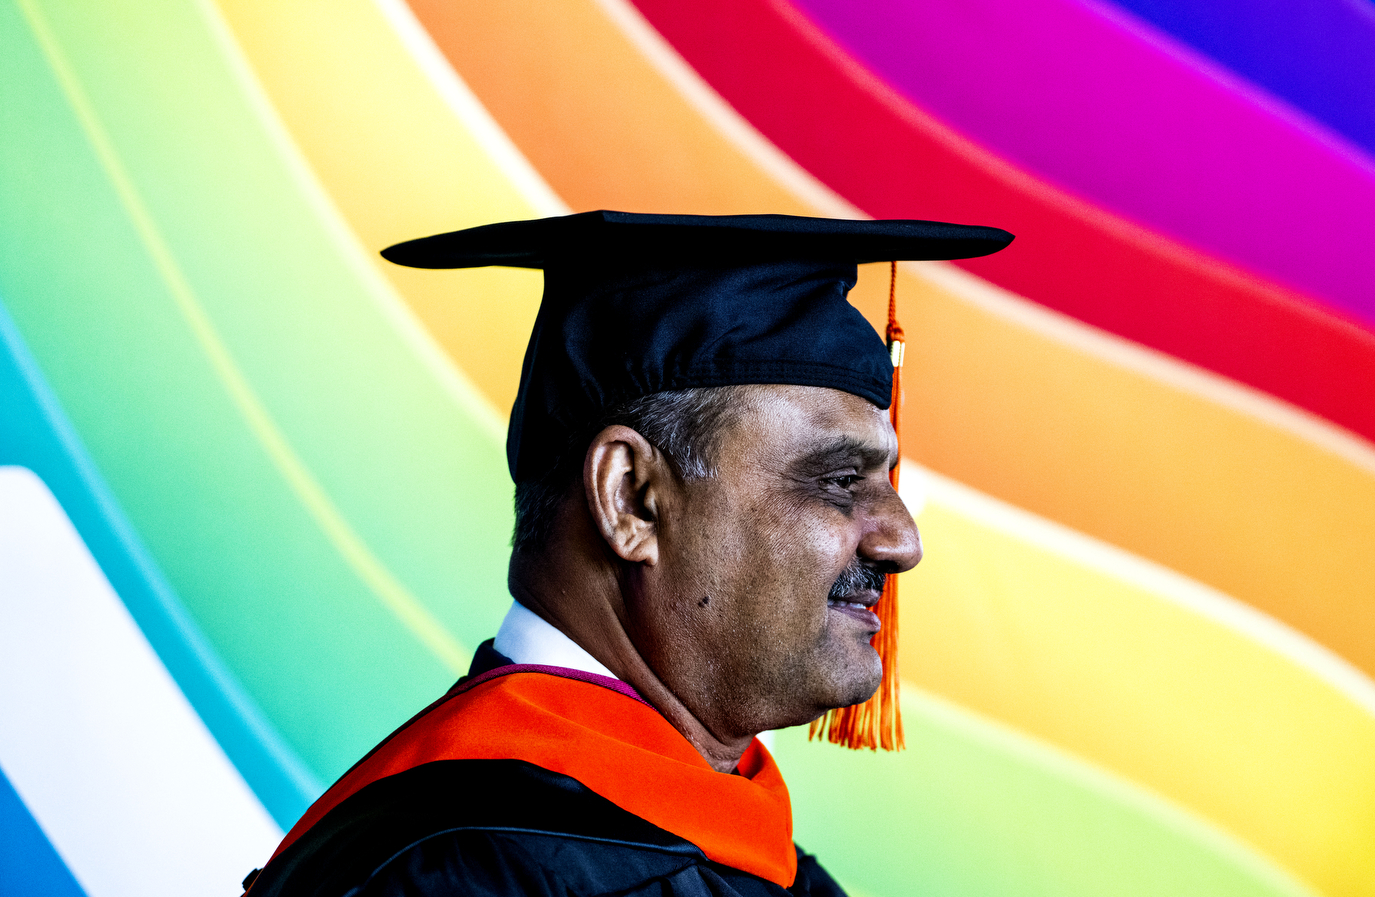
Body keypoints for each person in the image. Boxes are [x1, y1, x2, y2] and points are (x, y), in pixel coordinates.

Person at [243, 211, 1013, 896]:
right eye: (841, 479)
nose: (901, 540)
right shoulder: (453, 871)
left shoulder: (755, 863)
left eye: (888, 478)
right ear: (632, 498)